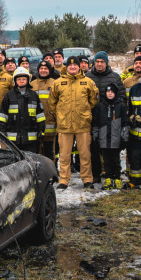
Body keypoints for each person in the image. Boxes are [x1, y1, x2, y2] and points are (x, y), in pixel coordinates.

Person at [48, 56, 98, 190]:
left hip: (83, 124)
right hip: (65, 125)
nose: (72, 68)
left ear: (79, 67)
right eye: (70, 66)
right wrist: (59, 114)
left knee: (85, 154)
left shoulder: (88, 82)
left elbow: (94, 101)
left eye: (75, 65)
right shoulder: (58, 83)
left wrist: (85, 113)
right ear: (66, 67)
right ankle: (64, 180)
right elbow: (52, 102)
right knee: (64, 155)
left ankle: (87, 179)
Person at [86, 51, 124, 187]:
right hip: (94, 118)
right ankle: (96, 174)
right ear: (94, 63)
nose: (100, 64)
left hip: (112, 118)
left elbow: (122, 97)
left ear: (106, 63)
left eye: (102, 62)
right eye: (97, 62)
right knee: (95, 147)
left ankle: (114, 174)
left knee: (112, 149)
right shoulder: (88, 77)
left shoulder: (114, 77)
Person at [0, 66, 44, 152]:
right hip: (13, 140)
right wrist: (2, 131)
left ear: (28, 80)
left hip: (31, 139)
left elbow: (40, 114)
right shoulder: (9, 95)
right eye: (19, 79)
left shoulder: (34, 95)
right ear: (15, 81)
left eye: (23, 79)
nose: (21, 81)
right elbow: (3, 115)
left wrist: (41, 129)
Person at [94, 84, 128, 189]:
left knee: (115, 160)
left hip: (116, 139)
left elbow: (125, 123)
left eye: (112, 92)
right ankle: (108, 178)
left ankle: (117, 178)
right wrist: (95, 136)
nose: (110, 94)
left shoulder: (121, 105)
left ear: (115, 93)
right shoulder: (100, 106)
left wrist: (124, 138)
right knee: (106, 160)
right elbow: (95, 123)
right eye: (108, 92)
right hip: (103, 139)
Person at [31, 60, 57, 162]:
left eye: (45, 68)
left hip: (50, 122)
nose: (43, 70)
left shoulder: (55, 83)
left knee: (49, 151)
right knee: (37, 152)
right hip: (35, 124)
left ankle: (51, 173)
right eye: (41, 69)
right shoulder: (32, 84)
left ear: (49, 70)